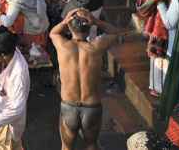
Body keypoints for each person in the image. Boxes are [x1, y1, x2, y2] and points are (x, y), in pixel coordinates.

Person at [51, 8, 127, 150]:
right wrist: (96, 21)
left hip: (69, 105)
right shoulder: (96, 47)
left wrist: (65, 20)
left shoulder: (62, 46)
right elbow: (116, 33)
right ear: (89, 28)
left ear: (69, 27)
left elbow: (53, 32)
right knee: (91, 145)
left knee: (66, 147)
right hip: (92, 107)